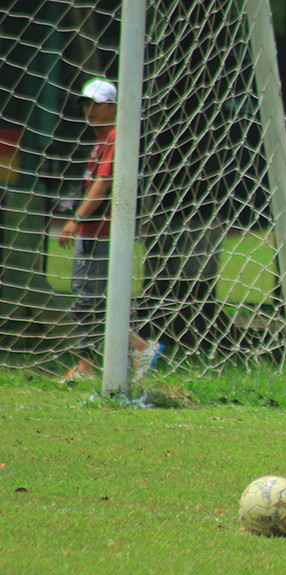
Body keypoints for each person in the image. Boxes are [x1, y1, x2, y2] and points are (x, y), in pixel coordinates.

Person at [57, 77, 162, 382]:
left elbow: (103, 184)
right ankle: (89, 366)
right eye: (86, 104)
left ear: (113, 107)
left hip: (99, 231)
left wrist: (77, 218)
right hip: (94, 230)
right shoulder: (101, 140)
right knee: (89, 300)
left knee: (87, 300)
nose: (89, 110)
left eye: (96, 104)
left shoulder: (115, 138)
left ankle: (139, 348)